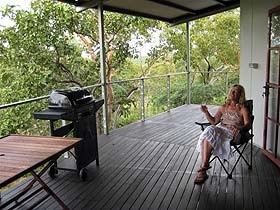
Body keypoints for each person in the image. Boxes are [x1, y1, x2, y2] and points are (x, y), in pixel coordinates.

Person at [194, 84, 251, 184]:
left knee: (209, 133)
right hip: (220, 130)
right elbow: (214, 121)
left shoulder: (243, 109)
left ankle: (203, 170)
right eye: (231, 91)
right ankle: (204, 167)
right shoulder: (223, 107)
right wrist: (206, 112)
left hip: (234, 133)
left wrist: (240, 128)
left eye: (235, 91)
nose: (232, 93)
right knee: (210, 131)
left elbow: (248, 124)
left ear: (240, 95)